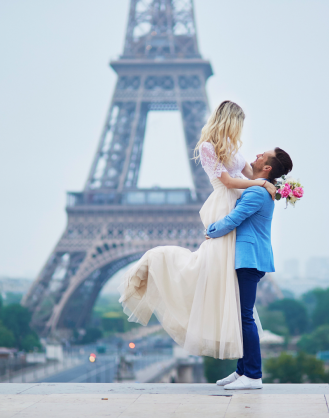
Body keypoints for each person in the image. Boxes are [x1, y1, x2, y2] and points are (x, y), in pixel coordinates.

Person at [117, 100, 276, 360]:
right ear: (229, 121)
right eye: (239, 124)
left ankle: (243, 367)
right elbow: (226, 180)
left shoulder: (233, 148)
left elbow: (249, 175)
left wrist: (272, 184)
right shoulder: (207, 147)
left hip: (237, 199)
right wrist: (260, 184)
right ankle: (157, 265)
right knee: (213, 264)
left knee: (226, 276)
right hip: (224, 201)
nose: (240, 131)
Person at [208, 147, 293, 389]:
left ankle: (253, 375)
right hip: (249, 258)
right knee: (243, 315)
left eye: (262, 156)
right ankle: (242, 371)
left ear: (267, 168)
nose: (256, 155)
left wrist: (210, 231)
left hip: (249, 259)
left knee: (245, 317)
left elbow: (234, 219)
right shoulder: (259, 187)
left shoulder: (256, 192)